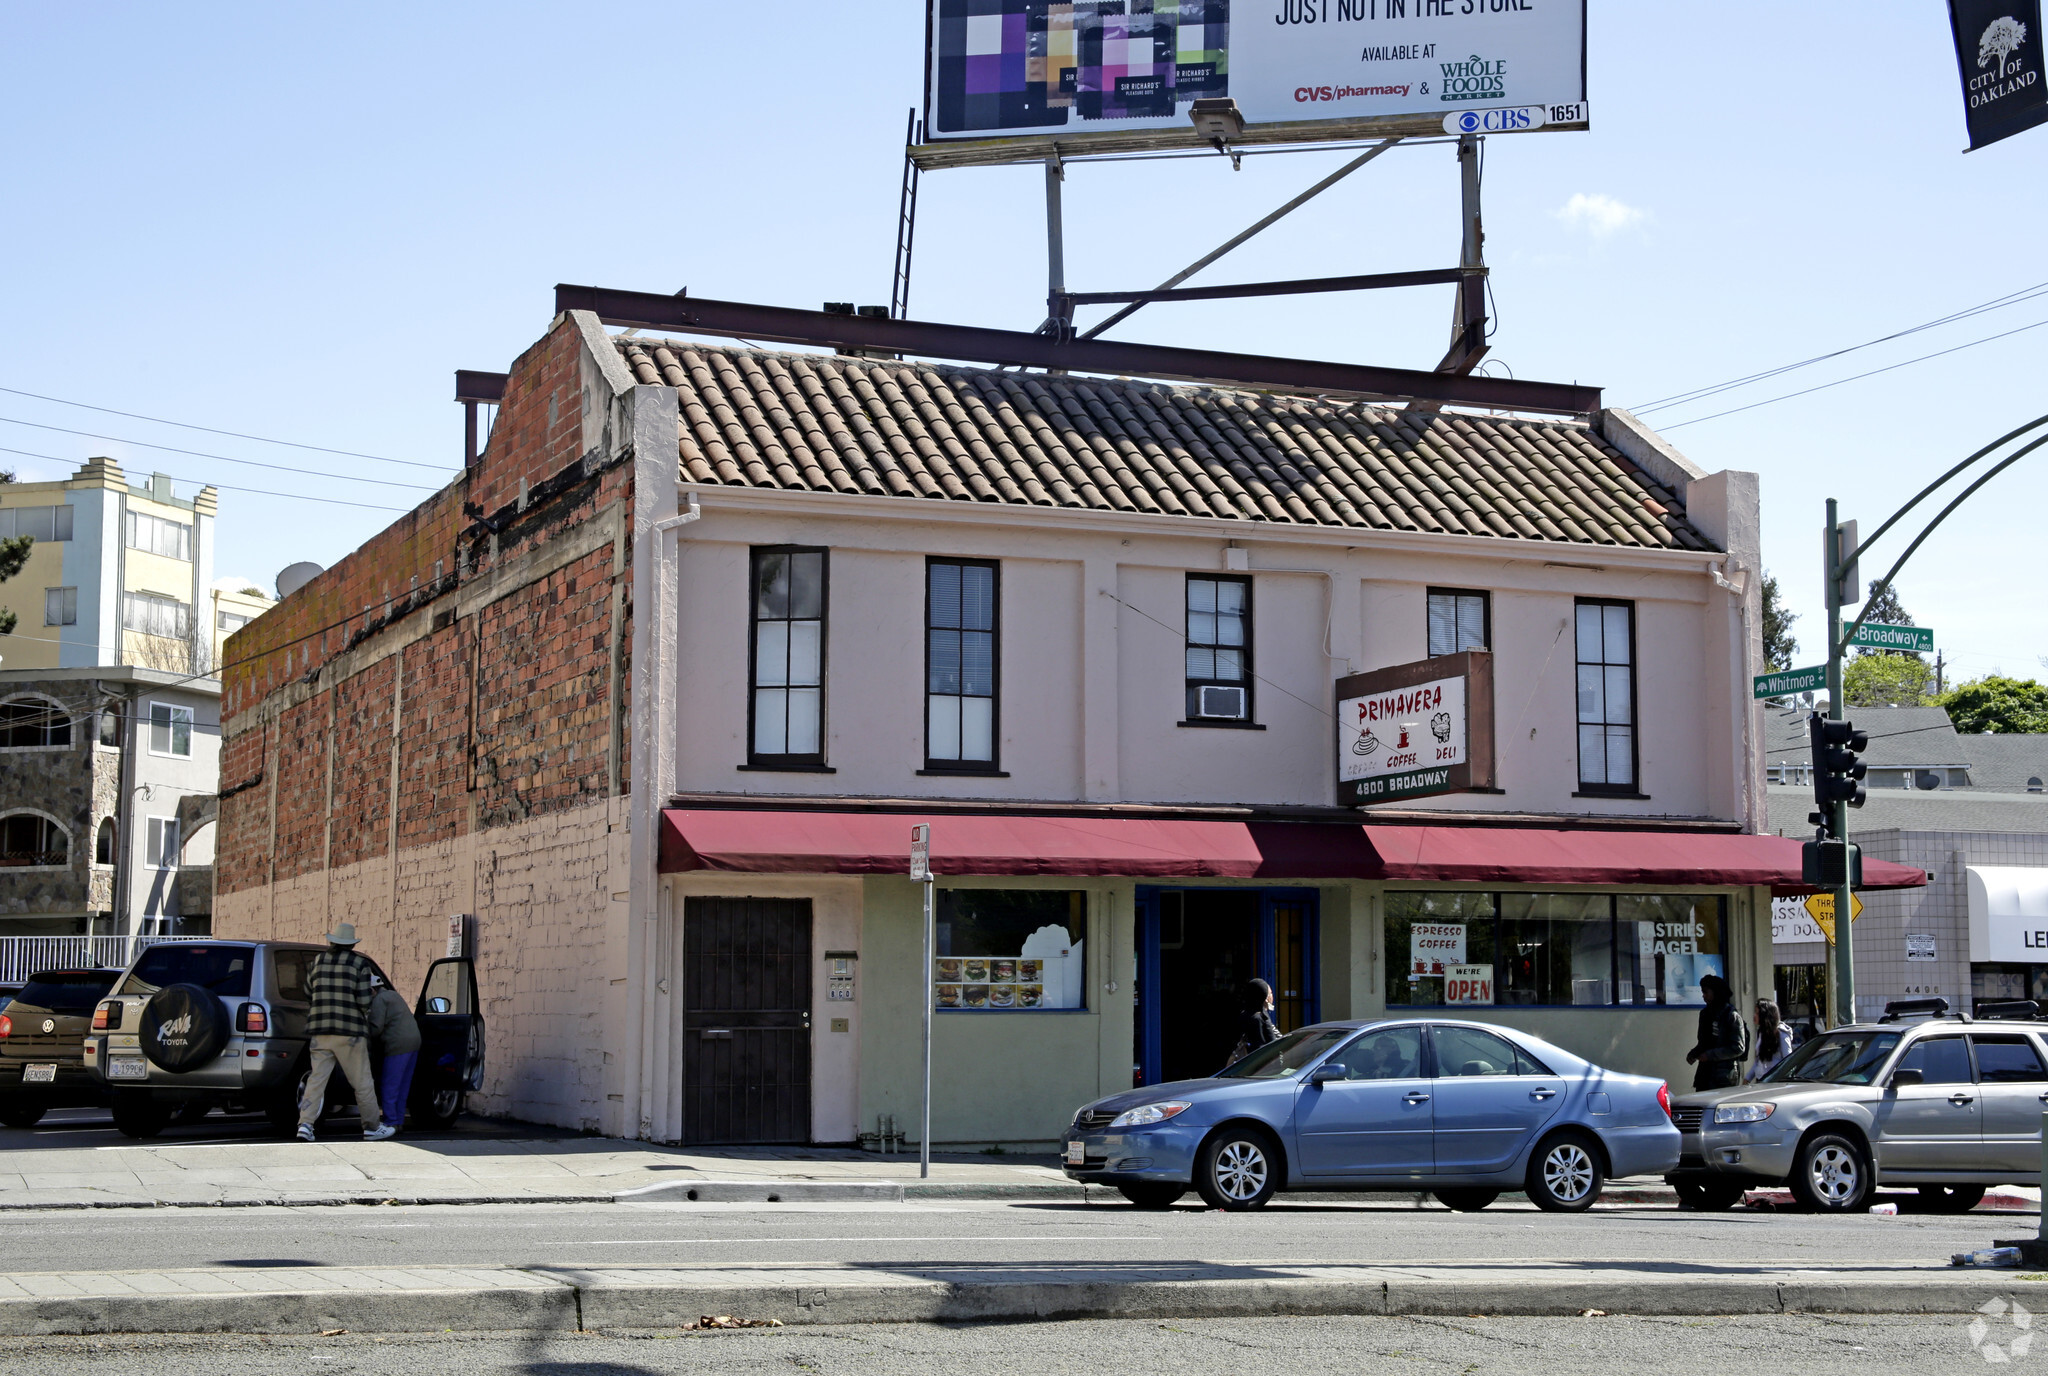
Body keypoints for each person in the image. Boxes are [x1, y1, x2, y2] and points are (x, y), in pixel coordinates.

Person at [298, 922, 392, 1141]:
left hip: (320, 1031)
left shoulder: (318, 961)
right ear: (351, 944)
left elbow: (307, 991)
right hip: (349, 1032)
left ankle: (305, 1124)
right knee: (361, 1082)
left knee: (316, 1080)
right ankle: (371, 1126)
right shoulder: (359, 964)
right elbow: (363, 1001)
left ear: (332, 941)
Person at [367, 974, 423, 1135]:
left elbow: (375, 1028)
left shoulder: (379, 1000)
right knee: (402, 1085)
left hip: (397, 1045)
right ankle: (398, 1121)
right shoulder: (392, 995)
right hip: (413, 1042)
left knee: (389, 1085)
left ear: (371, 990)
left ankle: (390, 1121)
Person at [1684, 973, 1747, 1092]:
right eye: (1702, 992)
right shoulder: (1705, 1014)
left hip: (1724, 1076)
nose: (1703, 996)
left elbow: (1738, 1047)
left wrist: (1710, 1055)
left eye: (1706, 992)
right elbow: (1704, 1042)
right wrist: (1694, 1053)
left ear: (1716, 992)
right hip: (1705, 1074)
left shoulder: (1731, 1015)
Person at [1746, 999, 1794, 1082]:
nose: (1754, 1015)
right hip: (1761, 1080)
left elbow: (1788, 1062)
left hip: (1775, 1082)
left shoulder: (1781, 1034)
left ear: (1765, 1014)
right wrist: (1747, 1078)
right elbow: (1758, 1061)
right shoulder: (1761, 1033)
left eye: (1757, 1013)